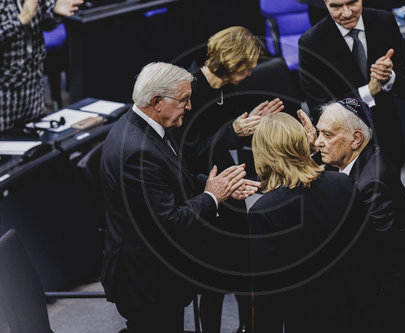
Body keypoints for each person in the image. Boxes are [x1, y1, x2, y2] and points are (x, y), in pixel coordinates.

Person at [100, 62, 259, 332]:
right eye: (184, 100)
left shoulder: (150, 126)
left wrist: (216, 185)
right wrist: (212, 196)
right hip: (145, 279)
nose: (189, 106)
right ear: (157, 101)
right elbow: (170, 222)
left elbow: (172, 181)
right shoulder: (138, 153)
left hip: (156, 270)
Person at [297, 97, 405, 332]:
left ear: (356, 139)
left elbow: (374, 250)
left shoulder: (373, 183)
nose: (318, 142)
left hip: (393, 301)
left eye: (328, 135)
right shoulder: (359, 157)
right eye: (318, 133)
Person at [178, 26, 283, 333]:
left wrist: (253, 124)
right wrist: (234, 132)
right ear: (231, 61)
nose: (251, 73)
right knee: (213, 281)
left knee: (242, 269)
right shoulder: (190, 89)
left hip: (229, 183)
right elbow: (189, 153)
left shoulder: (229, 87)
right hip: (203, 187)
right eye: (247, 67)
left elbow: (229, 134)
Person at [248, 112, 369, 332]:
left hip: (309, 321)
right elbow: (365, 247)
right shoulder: (342, 183)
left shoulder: (264, 211)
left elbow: (269, 295)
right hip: (358, 310)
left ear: (262, 154)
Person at [298, 0, 405, 169]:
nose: (346, 13)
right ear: (325, 3)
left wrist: (389, 77)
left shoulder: (385, 22)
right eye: (336, 6)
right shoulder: (311, 43)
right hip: (343, 149)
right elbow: (319, 107)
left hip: (387, 136)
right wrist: (369, 91)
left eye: (352, 3)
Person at [0, 0, 83, 133]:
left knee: (37, 146)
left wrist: (55, 12)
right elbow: (24, 18)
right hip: (5, 96)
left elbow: (45, 21)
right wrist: (20, 20)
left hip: (33, 89)